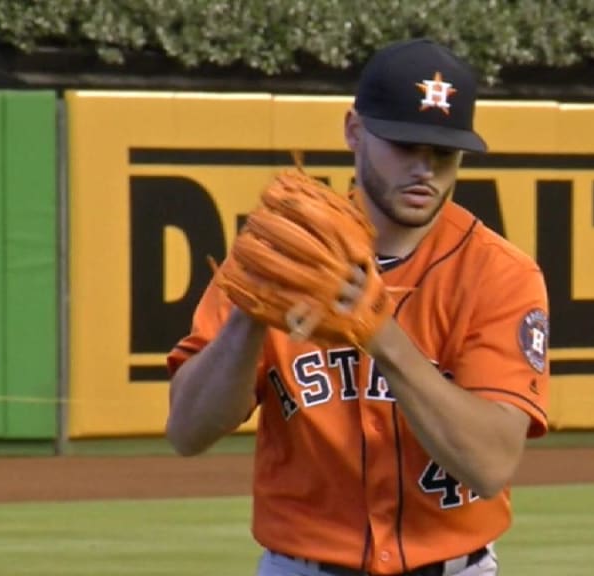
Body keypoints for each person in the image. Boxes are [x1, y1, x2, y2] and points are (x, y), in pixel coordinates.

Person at [165, 38, 551, 576]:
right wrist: (248, 317)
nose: (425, 169)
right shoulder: (284, 253)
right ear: (353, 131)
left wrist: (384, 339)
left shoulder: (499, 276)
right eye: (405, 144)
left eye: (444, 152)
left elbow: (490, 465)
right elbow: (187, 430)